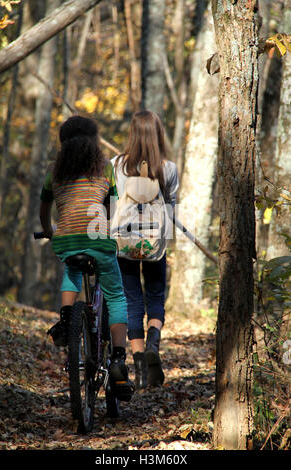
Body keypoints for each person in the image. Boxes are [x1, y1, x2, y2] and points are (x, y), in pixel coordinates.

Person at [39, 115, 134, 401]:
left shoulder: (54, 170)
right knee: (116, 296)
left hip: (67, 241)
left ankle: (67, 320)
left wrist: (49, 233)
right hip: (98, 240)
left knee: (72, 270)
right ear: (93, 142)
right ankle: (117, 358)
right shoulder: (105, 168)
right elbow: (110, 207)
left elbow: (45, 210)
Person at [111, 110, 179, 390]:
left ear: (132, 134)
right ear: (157, 134)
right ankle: (153, 342)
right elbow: (171, 207)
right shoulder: (168, 168)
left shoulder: (116, 165)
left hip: (124, 243)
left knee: (131, 298)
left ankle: (138, 364)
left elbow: (112, 202)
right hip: (154, 243)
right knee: (155, 295)